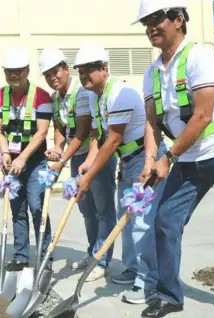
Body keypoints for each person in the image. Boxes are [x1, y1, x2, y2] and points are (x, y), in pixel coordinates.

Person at [132, 1, 214, 317]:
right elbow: (151, 122)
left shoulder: (200, 57)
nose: (151, 28)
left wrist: (167, 158)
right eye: (147, 23)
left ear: (178, 19)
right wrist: (149, 159)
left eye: (156, 20)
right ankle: (170, 295)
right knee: (165, 221)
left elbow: (201, 116)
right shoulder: (152, 73)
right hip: (187, 158)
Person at [71, 42, 168, 304]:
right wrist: (89, 162)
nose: (83, 76)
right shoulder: (94, 96)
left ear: (104, 69)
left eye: (89, 70)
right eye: (80, 71)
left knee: (140, 222)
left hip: (143, 158)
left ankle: (147, 281)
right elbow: (97, 136)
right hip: (126, 161)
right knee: (123, 217)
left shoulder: (121, 94)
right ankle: (133, 268)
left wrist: (88, 178)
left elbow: (113, 140)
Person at [39, 47, 117, 282]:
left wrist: (62, 160)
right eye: (47, 74)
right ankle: (93, 252)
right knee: (86, 209)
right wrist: (57, 149)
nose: (53, 77)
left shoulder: (81, 93)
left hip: (96, 155)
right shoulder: (55, 98)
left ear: (65, 69)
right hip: (76, 158)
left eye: (56, 72)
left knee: (103, 210)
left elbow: (82, 131)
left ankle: (102, 259)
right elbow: (61, 129)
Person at [0, 45, 54, 271]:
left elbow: (42, 132)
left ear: (27, 70)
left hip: (35, 160)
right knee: (16, 209)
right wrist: (6, 153)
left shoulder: (42, 96)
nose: (13, 75)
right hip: (12, 161)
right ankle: (20, 256)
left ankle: (45, 255)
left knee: (37, 206)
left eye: (18, 70)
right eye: (9, 70)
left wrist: (22, 159)